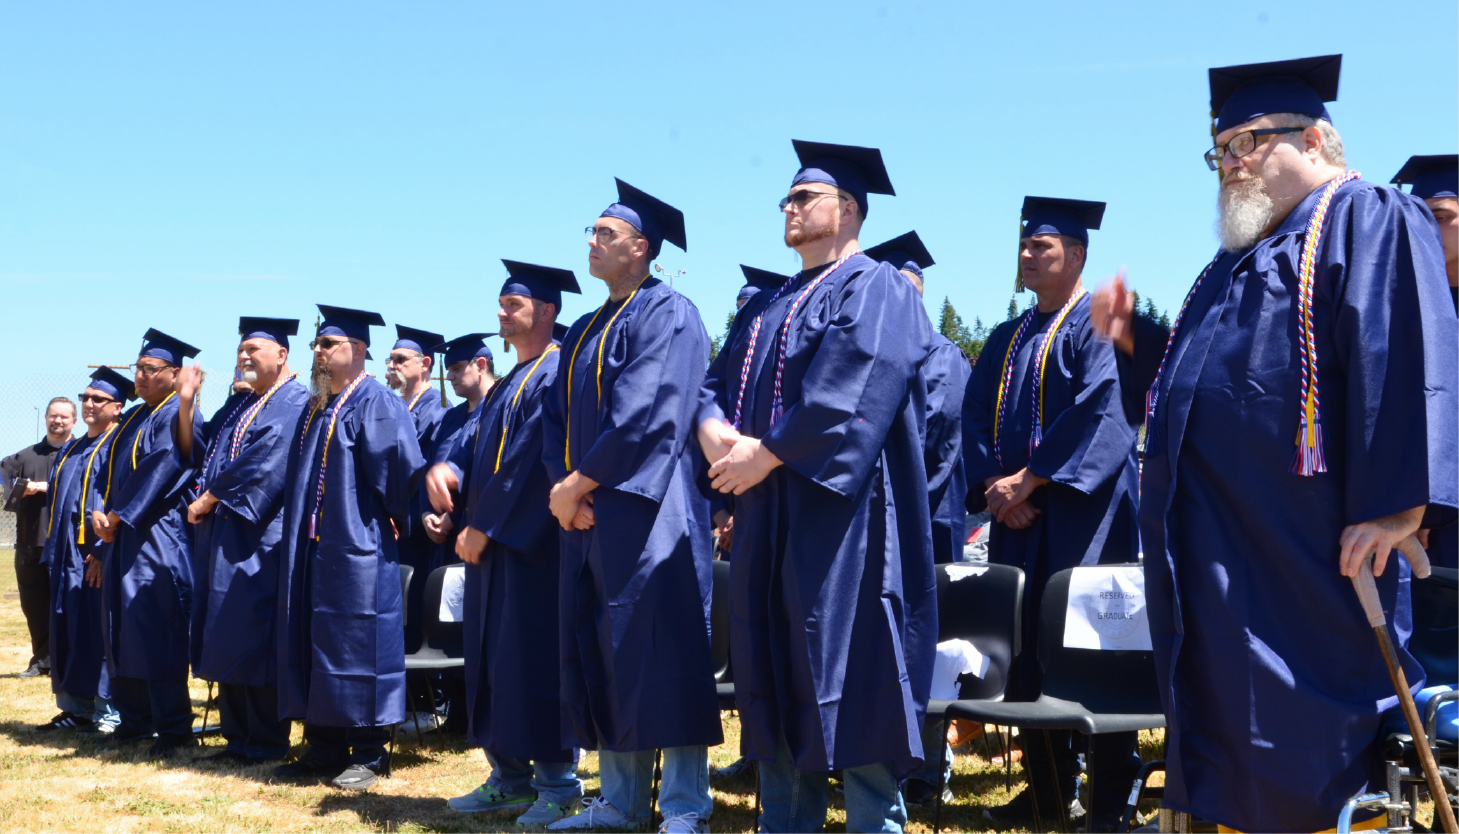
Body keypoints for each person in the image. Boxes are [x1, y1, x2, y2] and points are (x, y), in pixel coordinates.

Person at [1091, 55, 1459, 834]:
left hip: (1305, 557)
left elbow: (1404, 353)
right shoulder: (1231, 264)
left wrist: (1397, 506)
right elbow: (1204, 389)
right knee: (1225, 739)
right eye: (1220, 150)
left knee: (1308, 751)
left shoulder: (1367, 216)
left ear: (1317, 138)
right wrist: (1131, 339)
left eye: (1250, 141)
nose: (1231, 164)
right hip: (1219, 554)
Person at [697, 140, 935, 834]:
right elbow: (710, 389)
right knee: (774, 663)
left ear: (850, 208)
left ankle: (873, 826)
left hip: (847, 518)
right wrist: (717, 439)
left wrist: (761, 456)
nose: (790, 207)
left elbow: (851, 390)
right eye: (787, 198)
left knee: (853, 664)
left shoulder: (878, 286)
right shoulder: (768, 303)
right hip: (768, 512)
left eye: (806, 197)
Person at [542, 180, 720, 833]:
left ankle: (683, 807)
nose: (591, 243)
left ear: (641, 248)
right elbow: (552, 421)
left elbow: (648, 414)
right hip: (587, 516)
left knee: (663, 652)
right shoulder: (586, 327)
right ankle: (617, 802)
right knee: (604, 650)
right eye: (590, 233)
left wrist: (578, 485)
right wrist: (565, 490)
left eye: (604, 234)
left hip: (653, 514)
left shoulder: (670, 313)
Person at [962, 197, 1141, 827]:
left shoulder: (1101, 323)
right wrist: (995, 488)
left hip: (1081, 521)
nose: (1028, 254)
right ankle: (1044, 793)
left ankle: (1112, 791)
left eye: (1043, 246)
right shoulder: (1005, 339)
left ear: (1078, 255)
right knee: (1027, 652)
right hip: (1019, 522)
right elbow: (974, 416)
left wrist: (1030, 482)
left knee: (1093, 649)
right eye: (1025, 246)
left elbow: (1102, 413)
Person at [425, 261, 585, 825]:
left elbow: (528, 464)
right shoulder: (511, 380)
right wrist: (445, 471)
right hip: (492, 548)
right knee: (496, 661)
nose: (500, 312)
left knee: (536, 661)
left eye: (512, 305)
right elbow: (474, 446)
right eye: (499, 303)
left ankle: (559, 784)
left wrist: (484, 525)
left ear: (545, 311)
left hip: (534, 547)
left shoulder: (556, 370)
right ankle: (509, 776)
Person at [271, 305, 426, 790]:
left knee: (360, 642)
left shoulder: (376, 402)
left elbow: (401, 473)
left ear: (357, 350)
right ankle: (324, 745)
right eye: (315, 345)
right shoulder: (318, 406)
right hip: (316, 545)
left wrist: (392, 521)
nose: (316, 353)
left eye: (327, 345)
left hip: (359, 545)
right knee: (316, 639)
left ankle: (370, 751)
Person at [861, 230, 972, 808]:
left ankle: (928, 766)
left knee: (926, 645)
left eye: (906, 287)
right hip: (876, 529)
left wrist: (893, 508)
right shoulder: (875, 348)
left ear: (921, 290)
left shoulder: (941, 357)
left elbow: (939, 448)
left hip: (926, 524)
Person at [173, 317, 309, 764]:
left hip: (259, 534)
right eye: (240, 350)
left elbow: (265, 460)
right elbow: (202, 450)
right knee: (225, 631)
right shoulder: (244, 402)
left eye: (254, 348)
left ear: (282, 355)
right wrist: (188, 401)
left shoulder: (293, 401)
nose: (244, 356)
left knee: (255, 634)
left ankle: (265, 741)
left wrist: (210, 496)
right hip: (225, 533)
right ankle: (236, 738)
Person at [90, 329, 203, 758]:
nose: (138, 376)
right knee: (122, 624)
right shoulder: (135, 418)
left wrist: (117, 516)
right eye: (137, 368)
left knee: (157, 626)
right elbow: (103, 471)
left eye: (149, 369)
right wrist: (99, 513)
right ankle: (134, 721)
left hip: (158, 536)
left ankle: (173, 729)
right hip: (121, 536)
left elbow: (165, 467)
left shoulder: (180, 414)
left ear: (175, 375)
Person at [38, 371, 126, 732]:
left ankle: (108, 710)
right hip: (65, 555)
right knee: (68, 627)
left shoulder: (119, 445)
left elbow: (121, 502)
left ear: (117, 407)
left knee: (98, 630)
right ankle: (76, 707)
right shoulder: (72, 448)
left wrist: (106, 550)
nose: (89, 404)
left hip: (94, 555)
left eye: (98, 399)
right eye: (85, 397)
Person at [1392, 155, 1459, 570]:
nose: (1427, 230)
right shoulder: (1396, 308)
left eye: (1442, 216)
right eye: (1417, 217)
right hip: (1416, 518)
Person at [3, 396, 77, 678]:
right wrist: (19, 488)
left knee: (65, 605)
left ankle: (64, 662)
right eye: (53, 416)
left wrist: (50, 486)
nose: (57, 421)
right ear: (46, 418)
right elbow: (5, 478)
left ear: (74, 421)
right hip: (29, 541)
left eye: (64, 417)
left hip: (67, 544)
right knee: (33, 606)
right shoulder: (24, 456)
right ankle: (41, 661)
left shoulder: (81, 453)